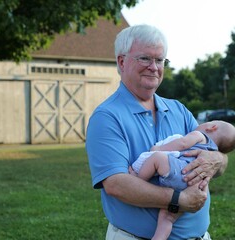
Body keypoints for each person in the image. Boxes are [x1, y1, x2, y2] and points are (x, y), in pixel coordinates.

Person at [86, 24, 228, 240]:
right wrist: (178, 199)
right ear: (121, 61)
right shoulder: (107, 117)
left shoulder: (178, 110)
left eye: (160, 60)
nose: (154, 67)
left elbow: (216, 153)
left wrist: (217, 159)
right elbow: (116, 184)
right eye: (145, 58)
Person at [131, 120, 235, 240]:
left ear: (212, 127)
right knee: (168, 217)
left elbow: (183, 143)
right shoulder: (212, 151)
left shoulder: (200, 135)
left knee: (157, 158)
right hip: (194, 185)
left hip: (181, 172)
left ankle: (138, 179)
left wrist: (159, 148)